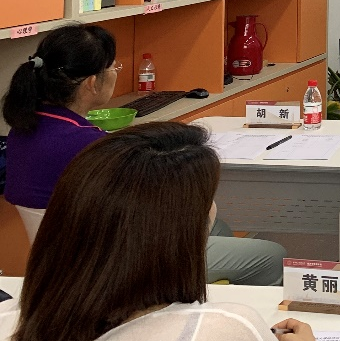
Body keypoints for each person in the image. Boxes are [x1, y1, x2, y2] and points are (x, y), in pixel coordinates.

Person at [0, 122, 328, 341]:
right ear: (175, 233)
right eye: (208, 200)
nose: (214, 208)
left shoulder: (11, 323)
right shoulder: (225, 331)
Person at [2, 24, 286, 285]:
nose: (116, 73)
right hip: (109, 268)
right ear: (92, 83)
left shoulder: (24, 130)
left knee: (218, 228)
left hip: (60, 258)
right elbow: (152, 215)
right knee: (272, 255)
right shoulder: (91, 147)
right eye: (113, 67)